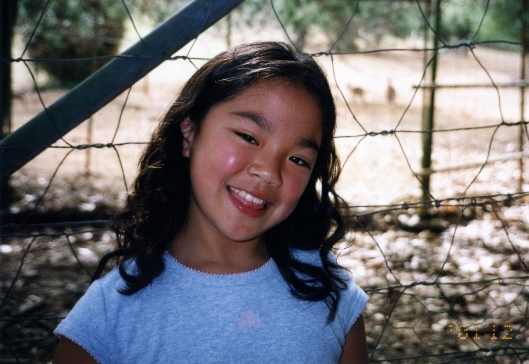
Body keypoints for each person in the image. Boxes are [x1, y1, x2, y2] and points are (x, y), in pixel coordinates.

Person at [53, 41, 369, 364]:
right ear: (189, 133)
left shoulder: (330, 294)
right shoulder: (107, 319)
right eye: (248, 137)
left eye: (298, 159)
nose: (269, 172)